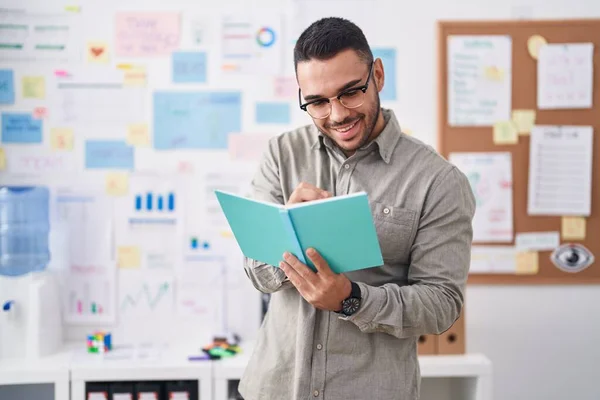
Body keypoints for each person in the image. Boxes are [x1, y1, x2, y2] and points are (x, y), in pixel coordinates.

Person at [238, 16, 476, 400]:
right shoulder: (281, 155)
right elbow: (255, 271)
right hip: (273, 389)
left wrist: (351, 299)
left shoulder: (439, 181)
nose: (337, 114)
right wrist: (287, 233)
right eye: (316, 101)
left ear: (378, 75)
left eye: (350, 92)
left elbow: (441, 305)